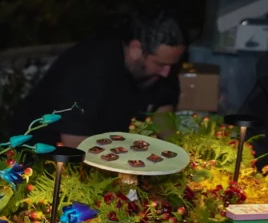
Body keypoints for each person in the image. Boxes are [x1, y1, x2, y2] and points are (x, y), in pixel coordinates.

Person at [15, 11, 187, 147]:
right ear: (136, 49)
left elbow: (162, 108)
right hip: (43, 157)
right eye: (160, 64)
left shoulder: (162, 66)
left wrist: (177, 152)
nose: (167, 72)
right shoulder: (86, 71)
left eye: (172, 65)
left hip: (110, 148)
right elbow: (75, 146)